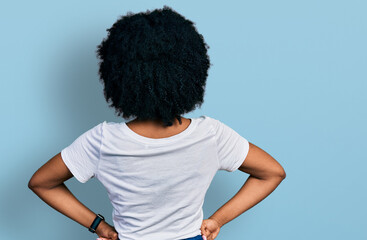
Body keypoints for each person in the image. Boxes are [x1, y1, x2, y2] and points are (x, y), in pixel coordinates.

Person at [27, 5, 286, 240]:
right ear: (191, 70)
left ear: (118, 75)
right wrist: (218, 220)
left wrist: (99, 225)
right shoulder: (211, 135)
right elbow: (272, 172)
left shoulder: (103, 140)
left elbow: (41, 182)